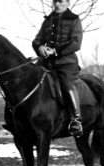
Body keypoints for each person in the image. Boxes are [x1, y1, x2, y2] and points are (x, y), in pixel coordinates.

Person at [32, 0, 83, 137]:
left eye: (60, 2)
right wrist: (40, 47)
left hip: (66, 63)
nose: (57, 4)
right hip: (46, 63)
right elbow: (37, 40)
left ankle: (76, 120)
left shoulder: (74, 20)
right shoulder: (47, 21)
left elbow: (76, 43)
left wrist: (55, 51)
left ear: (67, 3)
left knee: (67, 83)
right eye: (55, 1)